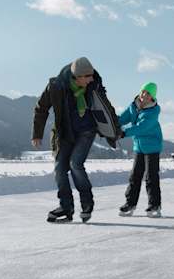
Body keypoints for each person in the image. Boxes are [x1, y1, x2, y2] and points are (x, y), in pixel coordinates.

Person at [33, 57, 123, 224]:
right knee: (60, 169)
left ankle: (86, 202)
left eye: (91, 75)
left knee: (75, 164)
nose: (91, 79)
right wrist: (37, 133)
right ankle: (66, 207)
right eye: (87, 76)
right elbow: (41, 108)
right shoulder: (56, 86)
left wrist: (115, 130)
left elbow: (106, 108)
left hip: (86, 131)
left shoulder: (94, 86)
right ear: (77, 77)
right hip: (65, 132)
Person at [119, 82, 163, 218]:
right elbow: (122, 118)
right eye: (143, 91)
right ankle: (130, 204)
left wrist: (123, 133)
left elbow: (141, 127)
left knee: (151, 177)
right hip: (139, 147)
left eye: (148, 93)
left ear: (152, 97)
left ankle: (154, 205)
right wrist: (112, 125)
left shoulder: (153, 111)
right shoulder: (134, 106)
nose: (144, 95)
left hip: (152, 147)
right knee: (135, 176)